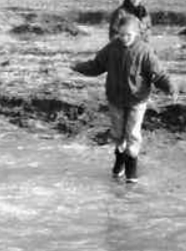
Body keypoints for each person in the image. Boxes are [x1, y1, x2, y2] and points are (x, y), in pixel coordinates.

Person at [71, 13, 176, 182]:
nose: (124, 38)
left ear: (137, 34)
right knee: (118, 133)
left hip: (137, 99)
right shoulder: (112, 48)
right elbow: (96, 65)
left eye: (129, 35)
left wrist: (170, 87)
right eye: (121, 34)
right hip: (115, 99)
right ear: (117, 33)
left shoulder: (144, 51)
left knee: (133, 133)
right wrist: (78, 67)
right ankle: (119, 159)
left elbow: (158, 73)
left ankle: (131, 170)